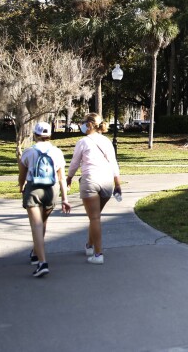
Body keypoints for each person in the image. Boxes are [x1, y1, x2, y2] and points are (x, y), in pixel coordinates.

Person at [66, 112, 122, 265]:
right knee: (95, 217)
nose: (82, 125)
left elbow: (74, 163)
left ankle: (98, 254)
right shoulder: (107, 141)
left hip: (91, 180)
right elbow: (113, 163)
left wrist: (69, 178)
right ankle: (89, 246)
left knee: (94, 218)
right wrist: (118, 184)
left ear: (90, 125)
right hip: (107, 182)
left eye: (83, 122)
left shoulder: (83, 142)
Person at [18, 121, 71, 278]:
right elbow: (61, 178)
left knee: (36, 225)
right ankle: (35, 253)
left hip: (34, 189)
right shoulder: (57, 152)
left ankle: (42, 262)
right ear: (50, 135)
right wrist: (65, 199)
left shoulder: (29, 152)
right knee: (43, 223)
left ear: (35, 135)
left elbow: (22, 174)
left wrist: (21, 186)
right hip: (52, 190)